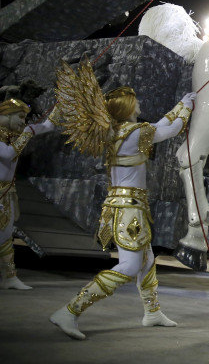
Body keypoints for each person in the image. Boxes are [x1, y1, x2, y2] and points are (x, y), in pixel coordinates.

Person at [50, 70, 196, 340]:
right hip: (129, 209)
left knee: (146, 260)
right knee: (129, 266)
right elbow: (170, 130)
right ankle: (70, 311)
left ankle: (152, 312)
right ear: (128, 107)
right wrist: (187, 109)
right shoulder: (137, 132)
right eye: (136, 101)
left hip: (121, 206)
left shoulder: (116, 133)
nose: (139, 104)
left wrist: (180, 104)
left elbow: (159, 125)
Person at [0, 98, 58, 290]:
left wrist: (61, 107)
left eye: (25, 118)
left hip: (8, 191)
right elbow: (8, 154)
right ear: (5, 115)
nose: (22, 122)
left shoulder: (14, 134)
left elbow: (47, 126)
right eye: (19, 117)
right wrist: (26, 134)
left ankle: (9, 277)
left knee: (6, 235)